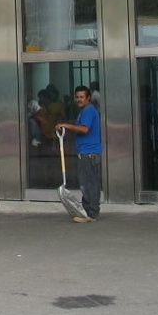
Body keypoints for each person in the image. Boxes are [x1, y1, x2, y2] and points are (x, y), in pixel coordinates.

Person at [56, 85, 103, 223]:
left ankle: (91, 214)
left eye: (81, 97)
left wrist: (66, 125)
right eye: (77, 97)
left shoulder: (88, 111)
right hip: (86, 153)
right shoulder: (84, 112)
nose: (78, 99)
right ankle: (89, 212)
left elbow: (84, 129)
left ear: (88, 98)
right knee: (88, 183)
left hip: (89, 153)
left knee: (89, 184)